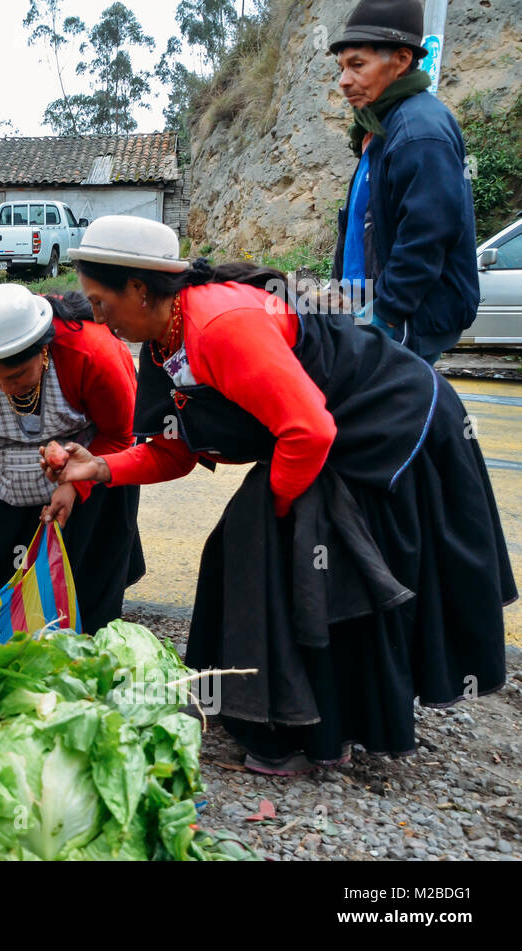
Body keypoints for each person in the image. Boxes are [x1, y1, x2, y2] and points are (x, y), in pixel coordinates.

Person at [45, 214, 514, 775]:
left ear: (141, 290)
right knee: (251, 549)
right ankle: (292, 719)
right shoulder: (160, 345)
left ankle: (310, 734)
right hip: (325, 432)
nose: (95, 316)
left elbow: (308, 430)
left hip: (391, 423)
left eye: (100, 302)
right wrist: (99, 467)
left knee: (286, 554)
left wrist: (284, 510)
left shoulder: (220, 325)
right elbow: (175, 450)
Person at [0, 283, 145, 636]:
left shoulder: (91, 353)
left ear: (43, 352)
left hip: (87, 476)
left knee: (79, 608)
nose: (6, 387)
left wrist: (76, 485)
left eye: (17, 376)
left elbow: (121, 436)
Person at [329, 0, 479, 363]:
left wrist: (386, 315)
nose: (344, 81)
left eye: (357, 65)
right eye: (341, 68)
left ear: (400, 61)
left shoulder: (419, 131)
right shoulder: (380, 127)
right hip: (369, 306)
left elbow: (426, 237)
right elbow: (364, 226)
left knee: (387, 416)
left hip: (404, 318)